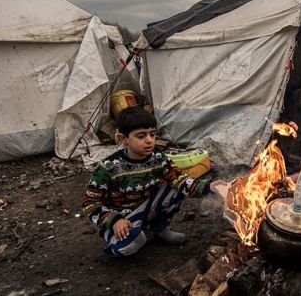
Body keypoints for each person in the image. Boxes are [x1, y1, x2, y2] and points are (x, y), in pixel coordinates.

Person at [82, 106, 210, 257]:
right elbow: (90, 203)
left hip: (144, 210)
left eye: (152, 134)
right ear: (123, 139)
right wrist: (114, 220)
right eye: (141, 136)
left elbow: (182, 181)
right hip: (122, 220)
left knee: (176, 186)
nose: (149, 140)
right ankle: (130, 237)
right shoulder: (108, 168)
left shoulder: (159, 158)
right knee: (129, 245)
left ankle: (158, 229)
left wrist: (210, 186)